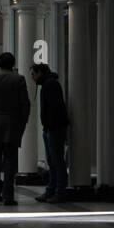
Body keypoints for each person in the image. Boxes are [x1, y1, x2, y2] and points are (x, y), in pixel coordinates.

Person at [0, 52, 31, 206]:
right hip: (12, 124)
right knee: (10, 161)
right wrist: (23, 122)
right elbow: (25, 104)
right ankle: (8, 195)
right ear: (13, 63)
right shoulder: (19, 79)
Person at [31, 64, 70, 202]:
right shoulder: (49, 84)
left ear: (39, 72)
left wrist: (49, 125)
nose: (32, 78)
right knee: (53, 161)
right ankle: (52, 189)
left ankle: (59, 191)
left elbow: (54, 108)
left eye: (33, 74)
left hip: (54, 128)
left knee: (56, 161)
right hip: (51, 128)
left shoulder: (50, 85)